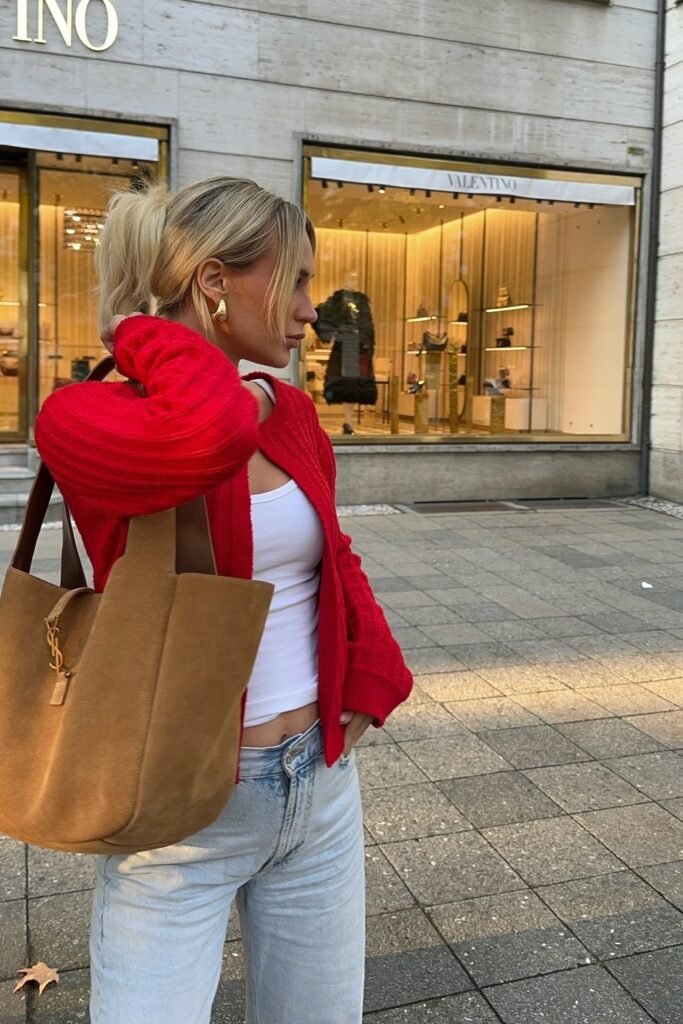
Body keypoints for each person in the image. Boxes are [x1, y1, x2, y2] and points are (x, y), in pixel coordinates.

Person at [34, 177, 413, 1024]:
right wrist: (141, 331)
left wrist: (371, 677)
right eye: (298, 281)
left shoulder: (288, 414)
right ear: (215, 282)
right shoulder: (82, 415)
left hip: (317, 785)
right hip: (175, 808)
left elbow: (332, 553)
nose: (314, 310)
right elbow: (202, 437)